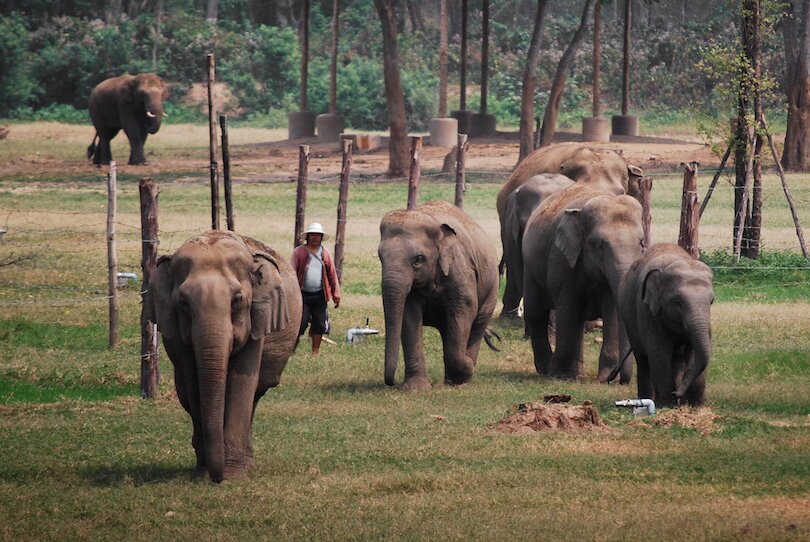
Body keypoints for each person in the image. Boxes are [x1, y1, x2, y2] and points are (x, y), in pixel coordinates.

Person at [291, 222, 341, 355]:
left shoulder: (325, 253)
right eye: (312, 235)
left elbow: (332, 275)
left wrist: (336, 295)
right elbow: (292, 273)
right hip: (302, 295)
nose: (315, 237)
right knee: (300, 323)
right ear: (308, 236)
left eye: (317, 235)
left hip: (320, 295)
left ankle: (315, 352)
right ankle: (291, 350)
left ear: (321, 237)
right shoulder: (299, 252)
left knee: (319, 324)